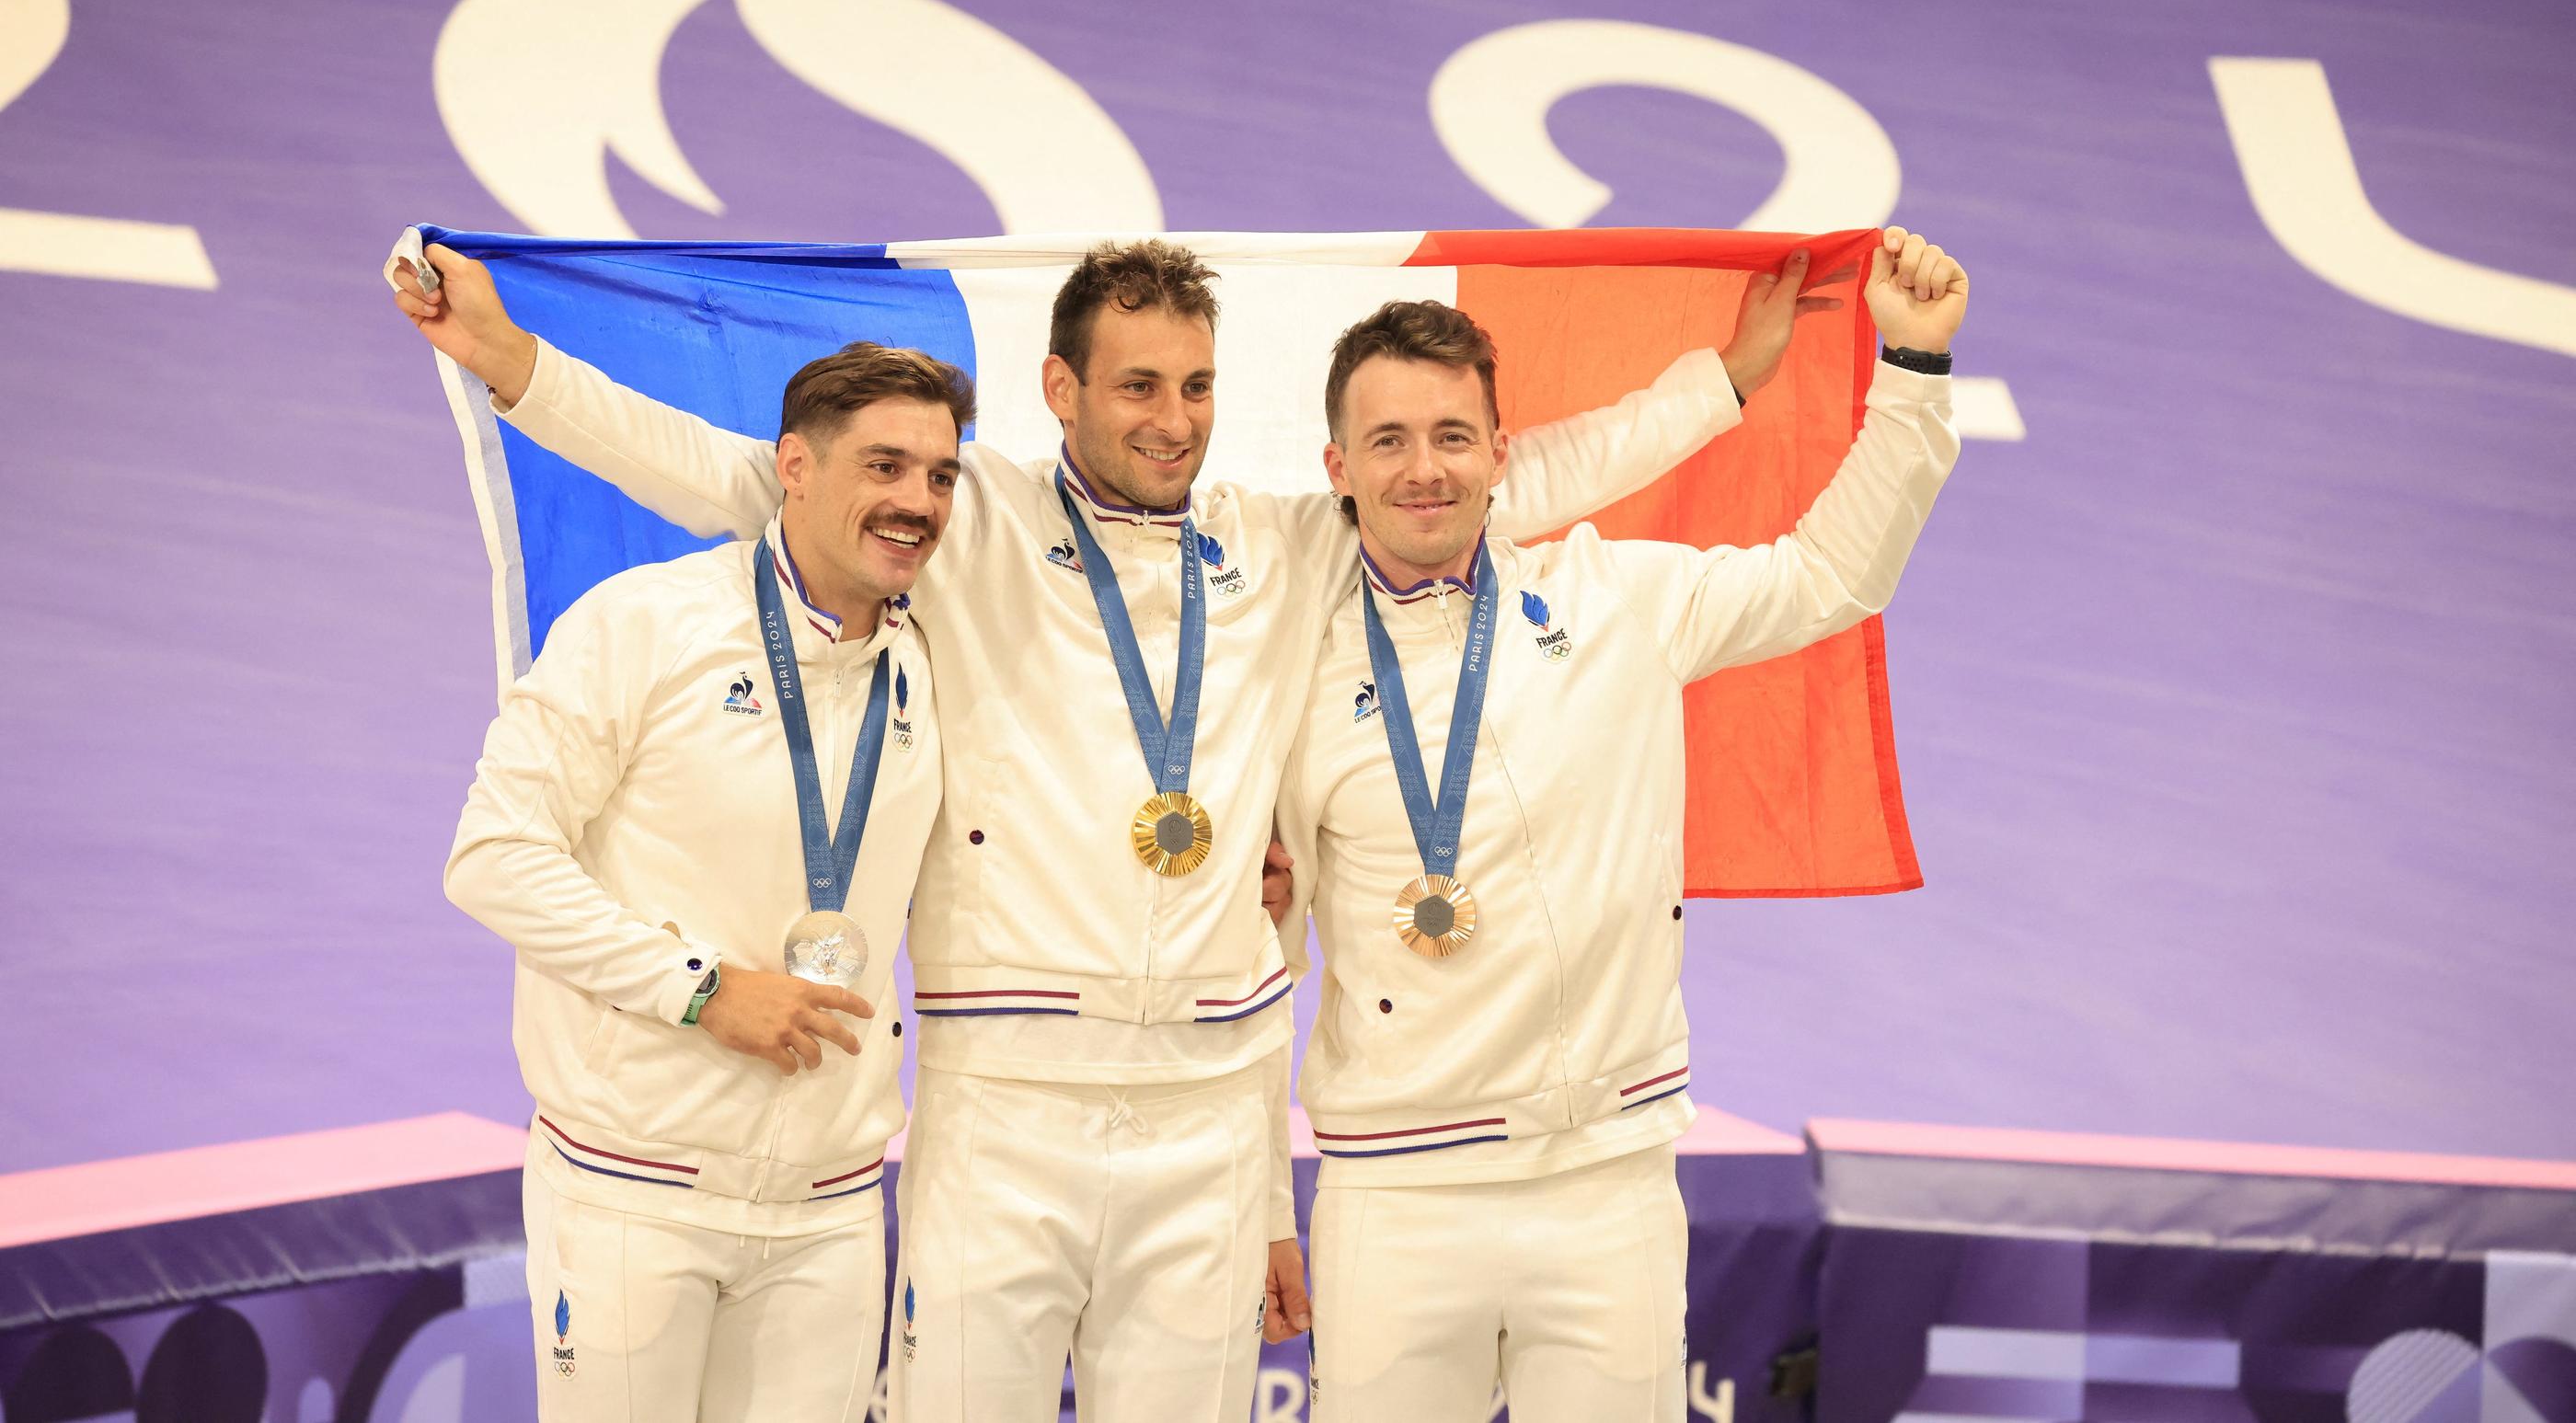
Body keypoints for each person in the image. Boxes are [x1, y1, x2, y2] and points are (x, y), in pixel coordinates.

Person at [398, 233, 1836, 1422]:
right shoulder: (961, 525)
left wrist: (1714, 386)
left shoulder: (1281, 548)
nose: (1174, 418)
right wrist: (512, 365)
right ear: (1061, 391)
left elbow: (1481, 483)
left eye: (1199, 386)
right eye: (1139, 384)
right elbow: (718, 471)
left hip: (1208, 1123)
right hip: (1003, 1102)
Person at [1270, 229, 1966, 1421]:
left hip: (1607, 1186)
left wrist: (1910, 371)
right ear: (1339, 465)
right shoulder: (1280, 670)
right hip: (1391, 1199)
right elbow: (1255, 971)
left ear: (1502, 452)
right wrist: (1252, 1204)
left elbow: (1828, 580)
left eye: (1452, 437)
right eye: (1388, 441)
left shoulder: (1616, 600)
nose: (1424, 469)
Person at [443, 339, 972, 1422]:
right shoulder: (643, 624)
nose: (916, 500)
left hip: (829, 1204)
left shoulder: (937, 659)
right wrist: (699, 985)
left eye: (939, 474)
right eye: (883, 465)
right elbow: (493, 856)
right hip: (636, 1185)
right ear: (793, 465)